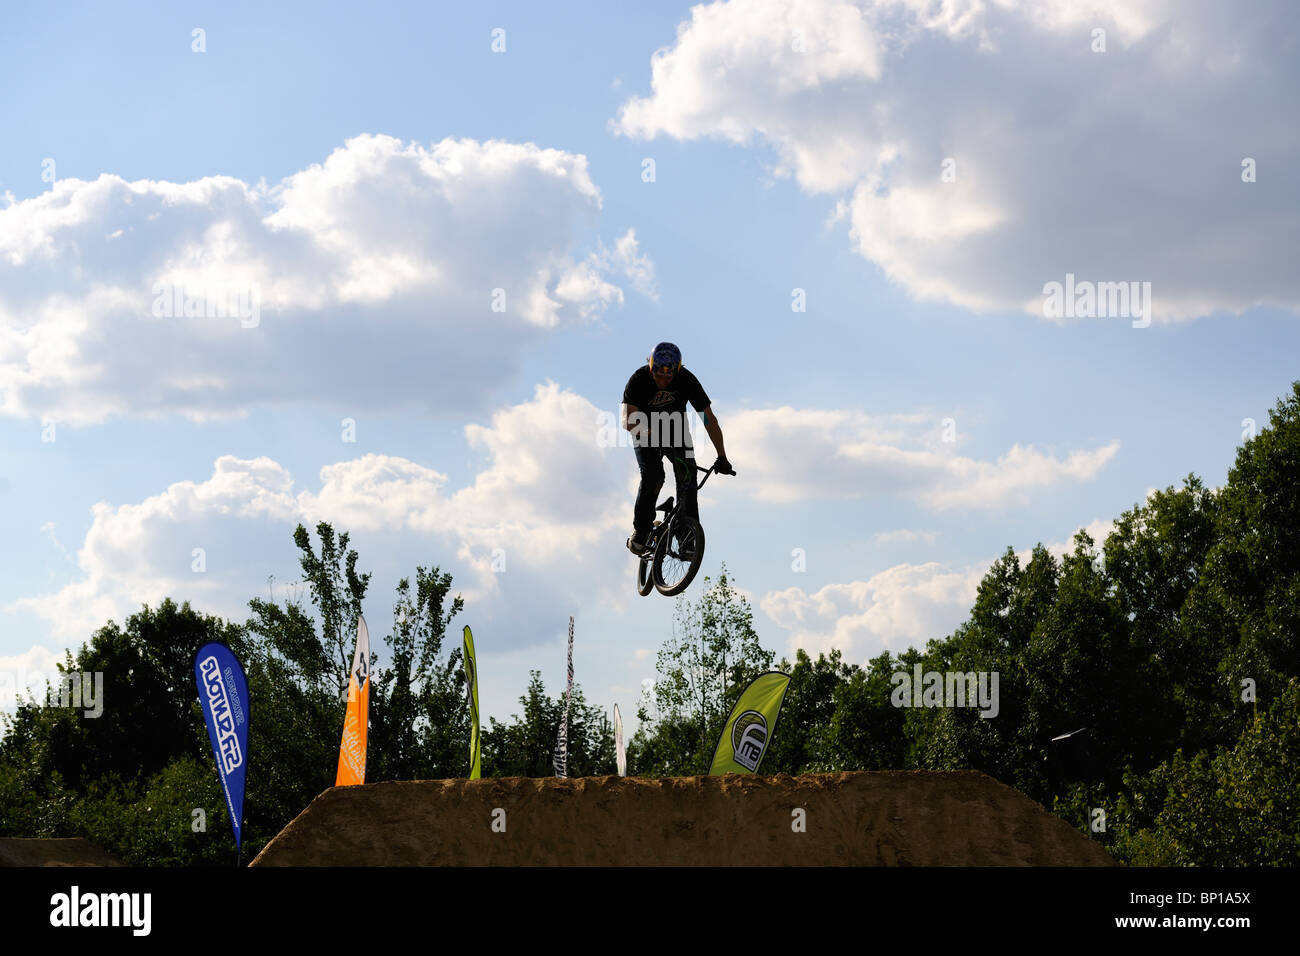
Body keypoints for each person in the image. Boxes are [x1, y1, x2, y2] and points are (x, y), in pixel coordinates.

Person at [621, 342, 733, 555]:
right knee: (654, 475)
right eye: (658, 376)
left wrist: (722, 456)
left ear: (677, 371)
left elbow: (709, 419)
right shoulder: (638, 379)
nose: (663, 381)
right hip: (644, 430)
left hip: (676, 430)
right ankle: (642, 530)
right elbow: (628, 420)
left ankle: (686, 539)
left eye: (668, 377)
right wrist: (653, 436)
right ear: (651, 368)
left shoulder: (687, 380)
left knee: (688, 477)